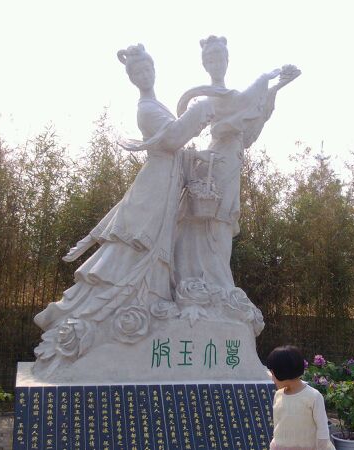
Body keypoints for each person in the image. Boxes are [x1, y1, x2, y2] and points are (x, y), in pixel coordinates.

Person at [31, 44, 216, 377]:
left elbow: (176, 143)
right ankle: (101, 312)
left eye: (147, 69)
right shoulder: (146, 109)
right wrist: (200, 108)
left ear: (154, 70)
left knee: (154, 248)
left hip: (166, 184)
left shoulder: (156, 105)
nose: (144, 75)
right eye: (137, 72)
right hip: (154, 186)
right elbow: (173, 138)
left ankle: (149, 303)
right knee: (135, 243)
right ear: (132, 78)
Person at [173, 36, 300, 292]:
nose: (215, 63)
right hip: (215, 160)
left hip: (231, 159)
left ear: (227, 60)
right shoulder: (209, 97)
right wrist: (263, 80)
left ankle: (220, 280)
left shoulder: (234, 97)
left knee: (225, 217)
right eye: (210, 60)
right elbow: (199, 126)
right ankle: (198, 276)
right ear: (204, 64)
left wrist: (276, 87)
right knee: (206, 214)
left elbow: (251, 116)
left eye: (219, 58)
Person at [266, 345, 335, 450]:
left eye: (272, 374)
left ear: (283, 372)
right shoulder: (278, 395)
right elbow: (278, 427)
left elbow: (323, 430)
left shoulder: (313, 396)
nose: (272, 379)